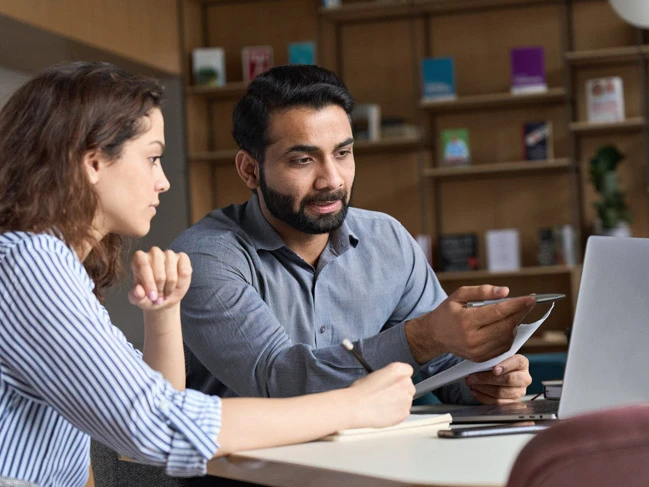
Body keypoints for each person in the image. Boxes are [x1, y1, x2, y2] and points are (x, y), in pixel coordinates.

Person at [0, 62, 416, 487]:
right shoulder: (30, 263)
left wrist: (163, 315)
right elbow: (157, 430)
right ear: (93, 163)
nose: (163, 182)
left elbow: (153, 410)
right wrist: (352, 406)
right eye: (153, 158)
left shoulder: (47, 265)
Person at [171, 64, 535, 406]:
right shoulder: (205, 258)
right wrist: (423, 337)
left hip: (373, 459)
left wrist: (488, 379)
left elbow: (441, 368)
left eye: (342, 153)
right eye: (303, 160)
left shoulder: (387, 240)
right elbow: (279, 382)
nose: (332, 180)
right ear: (250, 170)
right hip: (245, 469)